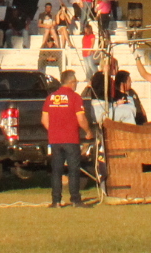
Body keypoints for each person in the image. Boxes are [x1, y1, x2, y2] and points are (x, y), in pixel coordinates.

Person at [41, 68, 90, 207]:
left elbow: (44, 120)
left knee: (57, 170)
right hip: (71, 139)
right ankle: (75, 199)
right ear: (71, 82)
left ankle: (56, 200)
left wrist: (55, 130)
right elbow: (81, 119)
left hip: (55, 140)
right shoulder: (75, 97)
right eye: (76, 81)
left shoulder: (50, 98)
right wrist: (88, 131)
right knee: (73, 169)